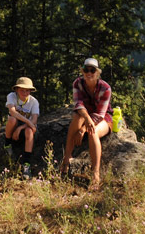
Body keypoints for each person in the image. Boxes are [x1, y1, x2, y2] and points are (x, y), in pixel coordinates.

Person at [59, 58, 112, 190]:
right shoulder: (78, 83)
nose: (89, 73)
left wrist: (83, 130)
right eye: (86, 70)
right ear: (83, 71)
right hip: (85, 115)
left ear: (97, 72)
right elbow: (78, 104)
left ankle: (95, 174)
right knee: (77, 118)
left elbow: (100, 114)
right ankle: (66, 159)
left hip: (103, 118)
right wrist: (86, 119)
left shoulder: (105, 88)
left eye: (92, 70)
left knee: (92, 132)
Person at [4, 77, 39, 178]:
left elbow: (34, 119)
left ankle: (26, 166)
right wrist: (27, 121)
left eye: (27, 90)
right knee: (12, 119)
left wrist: (21, 128)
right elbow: (12, 112)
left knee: (29, 131)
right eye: (22, 90)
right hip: (16, 124)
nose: (25, 92)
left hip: (26, 127)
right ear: (16, 90)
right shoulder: (11, 96)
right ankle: (7, 144)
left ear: (30, 91)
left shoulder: (34, 102)